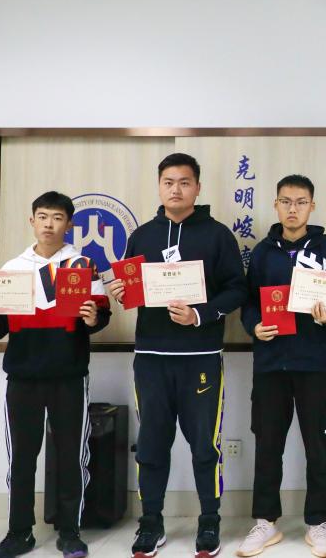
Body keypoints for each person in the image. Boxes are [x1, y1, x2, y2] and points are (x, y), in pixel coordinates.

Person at [108, 153, 246, 558]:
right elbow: (131, 288)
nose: (176, 189)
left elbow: (237, 289)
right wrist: (121, 291)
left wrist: (200, 315)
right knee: (151, 443)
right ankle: (151, 522)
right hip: (151, 357)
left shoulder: (218, 235)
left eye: (185, 182)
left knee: (205, 445)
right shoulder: (142, 236)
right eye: (168, 182)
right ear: (159, 186)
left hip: (201, 356)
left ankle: (209, 520)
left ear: (197, 187)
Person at [0, 191, 110, 558]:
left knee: (71, 457)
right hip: (23, 377)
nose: (49, 224)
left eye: (57, 217)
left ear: (69, 224)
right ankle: (19, 533)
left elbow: (99, 317)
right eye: (42, 216)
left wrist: (94, 319)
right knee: (22, 459)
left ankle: (70, 532)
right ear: (32, 221)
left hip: (69, 376)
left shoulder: (83, 265)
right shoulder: (13, 268)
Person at [236, 175, 326, 558]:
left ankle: (318, 523)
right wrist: (254, 325)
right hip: (270, 364)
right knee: (268, 444)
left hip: (314, 363)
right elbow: (249, 301)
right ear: (276, 205)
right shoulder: (263, 252)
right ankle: (265, 522)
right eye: (285, 201)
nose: (292, 209)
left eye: (301, 202)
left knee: (318, 445)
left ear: (311, 207)